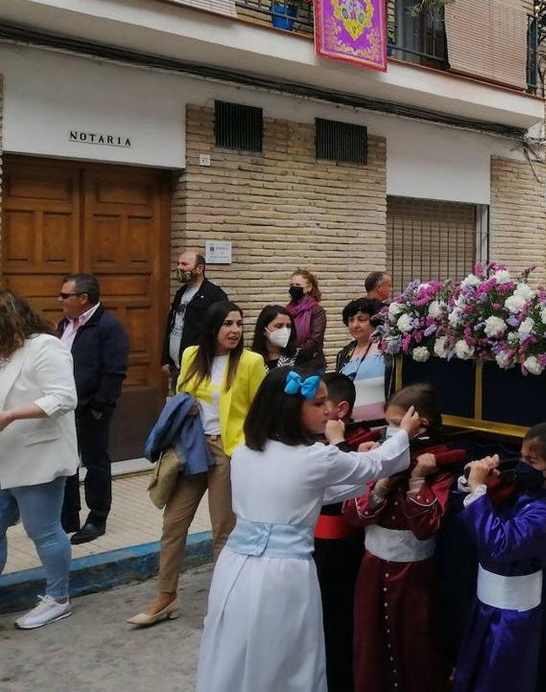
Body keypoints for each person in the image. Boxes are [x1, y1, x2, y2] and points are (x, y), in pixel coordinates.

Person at [194, 367, 422, 692]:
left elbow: (300, 493)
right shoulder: (315, 458)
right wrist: (402, 435)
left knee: (234, 649)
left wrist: (349, 459)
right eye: (317, 404)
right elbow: (376, 465)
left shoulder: (245, 452)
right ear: (290, 409)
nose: (328, 410)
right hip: (283, 574)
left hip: (235, 567)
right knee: (284, 654)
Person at [127, 301, 265, 627]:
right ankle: (166, 596)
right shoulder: (191, 355)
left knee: (223, 530)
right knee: (173, 523)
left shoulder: (250, 361)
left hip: (228, 451)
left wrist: (250, 451)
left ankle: (223, 603)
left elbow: (261, 410)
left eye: (239, 323)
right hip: (192, 448)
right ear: (213, 327)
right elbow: (181, 394)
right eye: (227, 324)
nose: (234, 330)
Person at [452, 421, 546, 692]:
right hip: (485, 607)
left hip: (511, 619)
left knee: (500, 682)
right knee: (471, 676)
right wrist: (480, 484)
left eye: (531, 461)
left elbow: (499, 545)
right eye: (522, 457)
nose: (522, 466)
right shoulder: (522, 491)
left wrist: (479, 490)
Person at [345, 383, 455, 692]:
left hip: (415, 574)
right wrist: (381, 485)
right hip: (372, 569)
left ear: (422, 425)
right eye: (389, 424)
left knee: (416, 644)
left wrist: (417, 481)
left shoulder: (439, 465)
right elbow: (353, 516)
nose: (391, 432)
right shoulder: (379, 457)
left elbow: (426, 526)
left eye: (397, 424)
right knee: (372, 643)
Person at [0, 289, 80, 630]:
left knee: (43, 531)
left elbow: (64, 398)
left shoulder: (45, 346)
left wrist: (10, 416)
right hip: (5, 457)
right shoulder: (4, 352)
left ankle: (58, 598)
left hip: (38, 458)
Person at [56, 273, 128, 545]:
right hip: (63, 407)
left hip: (91, 408)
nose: (60, 300)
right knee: (66, 461)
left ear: (83, 298)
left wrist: (98, 406)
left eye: (65, 295)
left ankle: (97, 518)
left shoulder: (109, 327)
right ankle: (68, 516)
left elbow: (115, 372)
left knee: (95, 461)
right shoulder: (65, 324)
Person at [312, 373, 365, 692]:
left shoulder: (357, 441)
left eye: (321, 403)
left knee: (337, 623)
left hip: (340, 551)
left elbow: (351, 483)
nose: (313, 410)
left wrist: (341, 446)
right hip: (311, 549)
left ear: (341, 410)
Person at [162, 251, 228, 386]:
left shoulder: (214, 295)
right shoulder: (181, 293)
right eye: (178, 264)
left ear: (199, 268)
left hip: (200, 365)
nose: (179, 267)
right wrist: (165, 359)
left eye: (184, 264)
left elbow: (222, 328)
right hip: (177, 366)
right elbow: (172, 326)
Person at [335, 298, 386, 380]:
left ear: (375, 321)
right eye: (351, 320)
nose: (355, 325)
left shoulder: (388, 348)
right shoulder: (344, 353)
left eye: (361, 319)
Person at [289, 268, 328, 371]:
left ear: (309, 287)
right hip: (290, 362)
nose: (294, 288)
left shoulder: (317, 311)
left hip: (311, 364)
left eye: (298, 285)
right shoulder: (288, 309)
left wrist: (296, 352)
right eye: (292, 285)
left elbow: (315, 339)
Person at [251, 304, 298, 371]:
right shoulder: (251, 358)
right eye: (279, 326)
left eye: (288, 326)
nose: (285, 331)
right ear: (264, 330)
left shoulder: (299, 357)